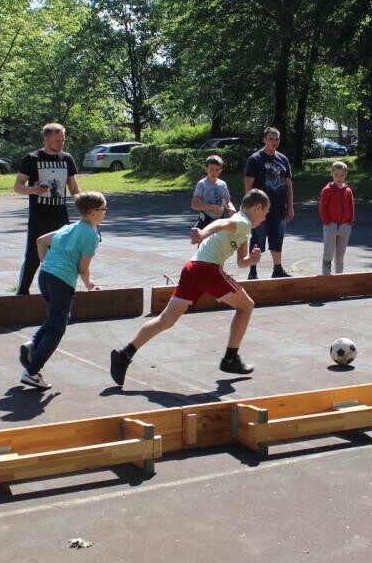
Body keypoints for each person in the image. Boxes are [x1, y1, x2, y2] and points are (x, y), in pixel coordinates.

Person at [109, 189, 271, 388]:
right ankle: (231, 358)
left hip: (191, 269)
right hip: (207, 269)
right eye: (265, 213)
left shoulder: (244, 229)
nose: (264, 219)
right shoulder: (243, 221)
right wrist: (203, 233)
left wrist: (251, 260)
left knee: (166, 320)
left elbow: (240, 263)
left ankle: (124, 354)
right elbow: (221, 223)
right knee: (246, 306)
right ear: (257, 208)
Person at [18, 191, 107, 390]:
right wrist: (90, 284)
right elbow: (82, 268)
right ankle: (32, 372)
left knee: (57, 317)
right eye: (103, 210)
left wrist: (47, 264)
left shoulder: (69, 227)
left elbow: (41, 241)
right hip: (61, 282)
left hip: (45, 277)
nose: (105, 213)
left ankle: (32, 344)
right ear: (92, 213)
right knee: (58, 329)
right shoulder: (91, 235)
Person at [14, 122, 80, 294]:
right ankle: (22, 292)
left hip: (60, 216)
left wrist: (84, 207)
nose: (61, 144)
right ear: (46, 139)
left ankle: (63, 291)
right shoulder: (32, 158)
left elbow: (74, 188)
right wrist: (33, 190)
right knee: (33, 256)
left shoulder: (67, 159)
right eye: (57, 140)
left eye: (63, 140)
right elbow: (18, 186)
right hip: (39, 216)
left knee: (65, 255)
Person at [243, 126, 293, 279]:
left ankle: (277, 269)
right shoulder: (255, 159)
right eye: (271, 139)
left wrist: (290, 207)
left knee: (277, 239)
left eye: (276, 139)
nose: (274, 142)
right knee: (257, 239)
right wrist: (250, 208)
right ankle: (253, 271)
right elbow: (248, 186)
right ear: (264, 139)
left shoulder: (283, 159)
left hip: (279, 208)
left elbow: (289, 185)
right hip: (260, 209)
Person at [319, 160, 355, 275]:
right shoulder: (327, 190)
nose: (339, 177)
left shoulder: (348, 190)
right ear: (332, 174)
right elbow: (322, 208)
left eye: (342, 175)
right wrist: (326, 223)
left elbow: (351, 206)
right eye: (336, 175)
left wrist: (350, 221)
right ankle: (326, 276)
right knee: (328, 254)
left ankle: (339, 277)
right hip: (331, 225)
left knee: (340, 255)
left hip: (345, 226)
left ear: (345, 175)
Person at [191, 154, 235, 230]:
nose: (214, 172)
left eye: (217, 169)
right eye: (211, 169)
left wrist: (231, 208)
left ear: (220, 170)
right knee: (199, 237)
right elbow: (194, 204)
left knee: (221, 239)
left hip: (220, 218)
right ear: (206, 169)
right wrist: (212, 207)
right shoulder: (202, 184)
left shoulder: (222, 184)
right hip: (206, 217)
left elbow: (227, 201)